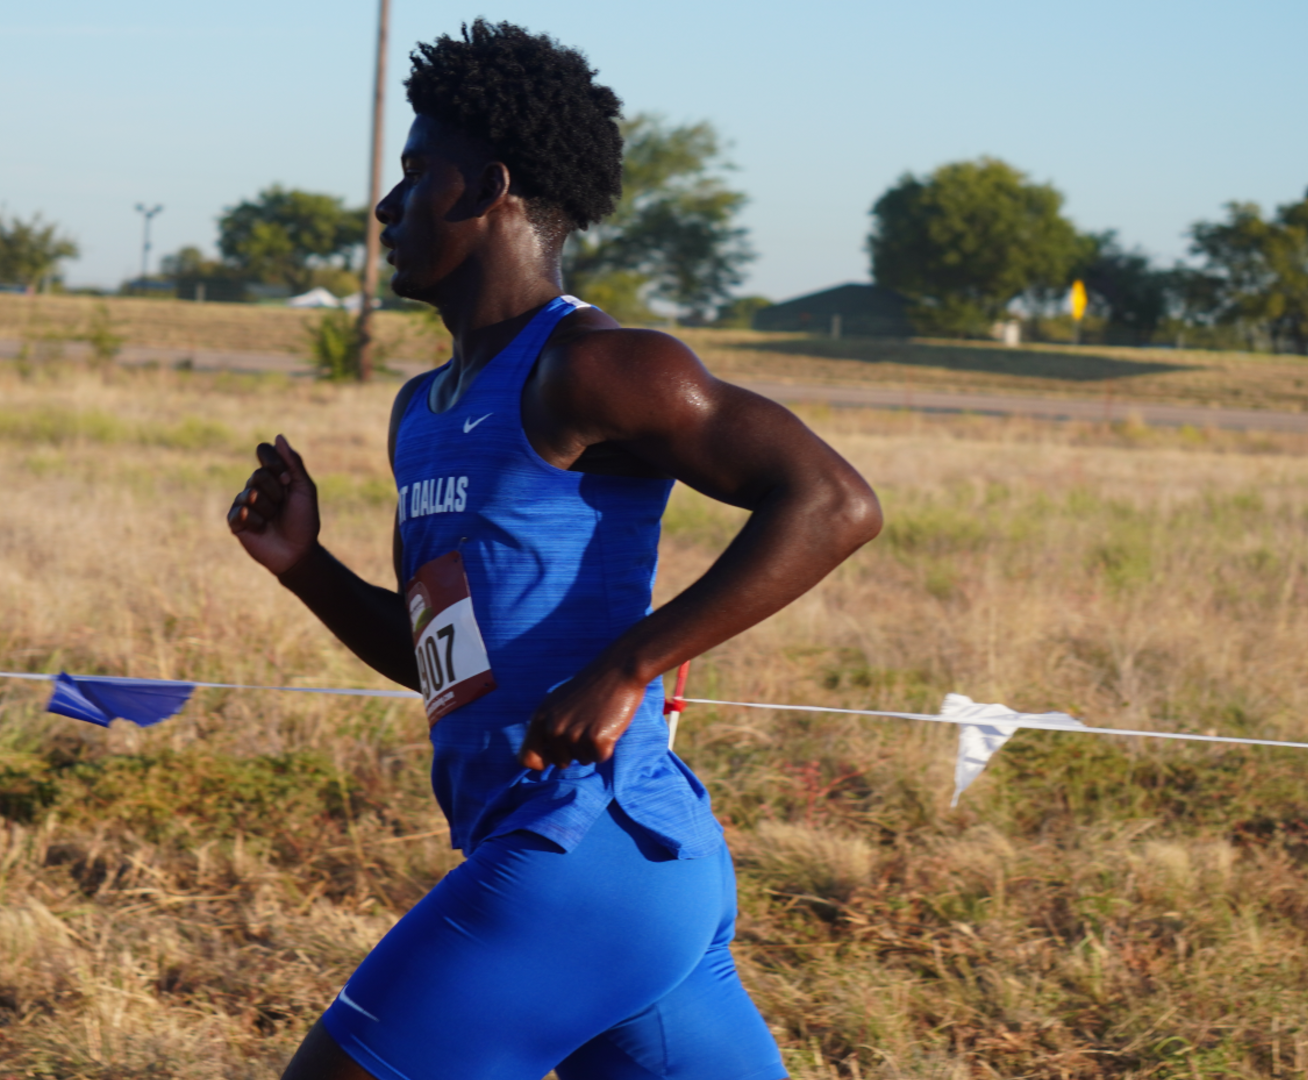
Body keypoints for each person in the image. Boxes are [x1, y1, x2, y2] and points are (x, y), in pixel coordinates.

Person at [227, 20, 882, 1080]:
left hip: (587, 847)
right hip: (593, 861)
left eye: (414, 173)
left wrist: (626, 668)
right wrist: (303, 563)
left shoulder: (597, 368)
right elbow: (437, 663)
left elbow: (833, 503)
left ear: (485, 188)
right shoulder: (422, 411)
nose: (388, 208)